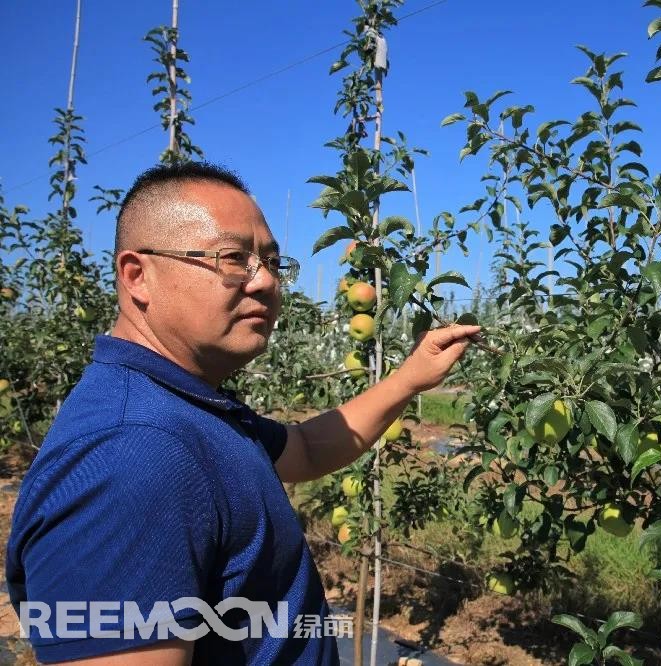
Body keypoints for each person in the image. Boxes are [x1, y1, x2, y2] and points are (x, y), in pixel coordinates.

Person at [5, 162, 481, 665]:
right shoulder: (131, 454)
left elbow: (305, 449)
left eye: (272, 263)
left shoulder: (185, 406)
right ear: (137, 275)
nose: (265, 284)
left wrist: (410, 377)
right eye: (233, 258)